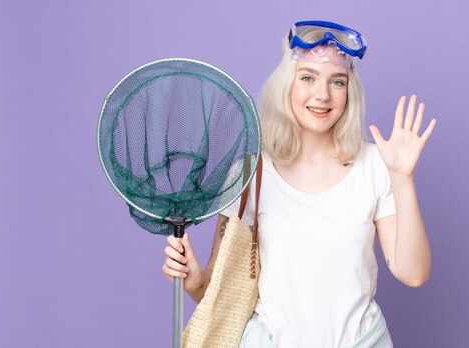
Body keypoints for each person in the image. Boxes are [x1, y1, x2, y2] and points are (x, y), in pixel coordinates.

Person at [162, 20, 436, 348]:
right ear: (287, 83)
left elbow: (413, 273)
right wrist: (193, 282)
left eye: (337, 81)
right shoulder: (251, 173)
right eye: (308, 77)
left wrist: (402, 178)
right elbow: (214, 290)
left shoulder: (376, 165)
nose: (322, 95)